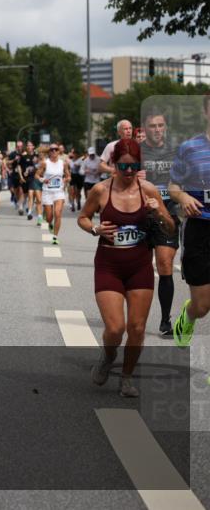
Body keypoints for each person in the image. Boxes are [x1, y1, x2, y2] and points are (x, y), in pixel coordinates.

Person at [78, 139, 174, 398]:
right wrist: (96, 229)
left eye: (134, 167)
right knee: (115, 328)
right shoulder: (101, 190)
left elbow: (171, 228)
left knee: (138, 328)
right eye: (123, 166)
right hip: (109, 265)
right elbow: (83, 217)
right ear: (114, 164)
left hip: (140, 266)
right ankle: (108, 357)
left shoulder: (149, 190)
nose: (129, 172)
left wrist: (160, 213)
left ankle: (127, 377)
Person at [170, 94, 210, 347]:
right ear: (206, 112)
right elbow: (173, 185)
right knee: (203, 305)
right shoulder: (190, 148)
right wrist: (183, 196)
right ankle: (189, 313)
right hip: (199, 229)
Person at [139, 109, 181, 335]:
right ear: (144, 129)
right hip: (140, 215)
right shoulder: (136, 152)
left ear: (165, 127)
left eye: (160, 125)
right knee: (140, 268)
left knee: (164, 263)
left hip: (167, 212)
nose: (156, 130)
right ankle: (137, 316)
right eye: (152, 126)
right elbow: (117, 176)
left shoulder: (176, 152)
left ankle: (165, 321)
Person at [39, 145, 70, 244]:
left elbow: (68, 175)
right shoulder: (45, 163)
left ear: (58, 152)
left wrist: (66, 179)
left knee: (57, 213)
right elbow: (37, 175)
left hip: (59, 192)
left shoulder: (63, 163)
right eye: (51, 150)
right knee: (49, 217)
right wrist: (43, 179)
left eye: (56, 149)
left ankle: (55, 237)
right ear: (49, 152)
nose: (54, 151)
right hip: (47, 192)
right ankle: (48, 222)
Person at [7, 141, 24, 212]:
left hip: (23, 174)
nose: (19, 148)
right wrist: (14, 160)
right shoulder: (12, 154)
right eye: (18, 146)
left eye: (21, 146)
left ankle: (21, 206)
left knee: (21, 189)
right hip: (14, 174)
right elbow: (7, 162)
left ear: (22, 146)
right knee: (15, 190)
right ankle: (16, 199)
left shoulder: (24, 153)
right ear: (16, 147)